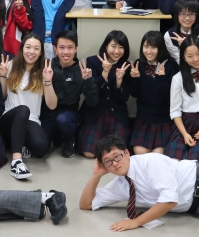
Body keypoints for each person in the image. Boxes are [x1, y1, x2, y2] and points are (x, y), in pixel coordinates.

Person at [0, 34, 57, 179]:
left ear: (41, 52)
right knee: (23, 109)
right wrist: (2, 76)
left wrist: (48, 81)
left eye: (36, 48)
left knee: (41, 147)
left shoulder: (44, 71)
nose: (31, 52)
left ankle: (19, 142)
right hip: (9, 118)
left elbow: (52, 105)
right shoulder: (10, 66)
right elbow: (2, 96)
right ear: (22, 49)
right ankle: (17, 162)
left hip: (31, 120)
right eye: (28, 47)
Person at [78, 31, 132, 159]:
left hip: (116, 113)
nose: (117, 51)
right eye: (113, 46)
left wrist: (119, 81)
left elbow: (123, 98)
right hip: (96, 111)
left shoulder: (126, 66)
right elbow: (92, 92)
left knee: (117, 152)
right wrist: (105, 73)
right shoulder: (93, 61)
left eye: (121, 47)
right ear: (106, 46)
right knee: (89, 153)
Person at [45, 30, 98, 158]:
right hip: (48, 112)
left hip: (69, 114)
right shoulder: (48, 66)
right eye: (61, 47)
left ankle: (69, 138)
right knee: (40, 149)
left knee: (62, 120)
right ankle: (57, 134)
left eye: (70, 47)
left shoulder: (81, 69)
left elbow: (93, 102)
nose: (66, 52)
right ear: (55, 49)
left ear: (76, 49)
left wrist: (88, 81)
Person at [127, 31, 178, 155]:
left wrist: (161, 79)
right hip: (144, 117)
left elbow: (170, 98)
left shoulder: (171, 66)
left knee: (158, 153)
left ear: (160, 48)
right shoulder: (139, 64)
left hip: (163, 118)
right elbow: (134, 94)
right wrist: (135, 78)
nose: (149, 51)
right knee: (140, 152)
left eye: (153, 47)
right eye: (146, 47)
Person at [164, 0, 199, 65]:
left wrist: (196, 45)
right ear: (177, 15)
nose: (187, 18)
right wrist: (183, 47)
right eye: (183, 14)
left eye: (192, 14)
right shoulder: (168, 35)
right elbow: (179, 60)